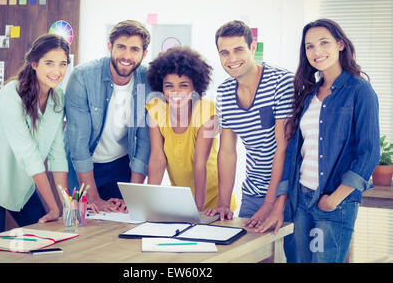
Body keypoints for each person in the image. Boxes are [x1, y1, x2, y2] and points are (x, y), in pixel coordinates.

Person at [256, 19, 380, 263]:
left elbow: (369, 153)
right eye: (309, 46)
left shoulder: (360, 91)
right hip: (300, 199)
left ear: (340, 45)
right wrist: (281, 203)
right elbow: (294, 155)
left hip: (334, 201)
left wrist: (334, 198)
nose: (316, 51)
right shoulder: (308, 94)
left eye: (324, 43)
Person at [0, 34, 70, 239]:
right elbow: (29, 155)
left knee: (47, 240)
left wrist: (66, 208)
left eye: (63, 64)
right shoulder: (11, 94)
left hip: (22, 187)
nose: (57, 71)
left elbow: (57, 155)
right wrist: (53, 208)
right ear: (34, 63)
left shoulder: (58, 98)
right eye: (49, 63)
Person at [205, 20, 294, 228]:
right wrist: (224, 204)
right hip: (252, 192)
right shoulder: (225, 92)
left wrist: (270, 203)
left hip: (285, 193)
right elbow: (227, 152)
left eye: (238, 50)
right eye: (224, 52)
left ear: (253, 48)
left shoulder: (281, 82)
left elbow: (283, 148)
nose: (232, 58)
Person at [64, 20, 152, 213]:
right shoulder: (82, 77)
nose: (127, 56)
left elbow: (145, 142)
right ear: (109, 46)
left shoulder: (147, 82)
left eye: (134, 49)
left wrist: (134, 196)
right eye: (121, 47)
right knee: (82, 223)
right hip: (82, 165)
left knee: (121, 220)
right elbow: (78, 144)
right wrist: (93, 198)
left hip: (120, 164)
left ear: (144, 54)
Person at [145, 47, 237, 212]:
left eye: (183, 85)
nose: (176, 92)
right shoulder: (156, 110)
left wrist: (197, 209)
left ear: (195, 87)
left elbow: (199, 163)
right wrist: (149, 204)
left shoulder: (205, 111)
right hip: (185, 202)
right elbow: (157, 158)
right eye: (169, 86)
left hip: (214, 202)